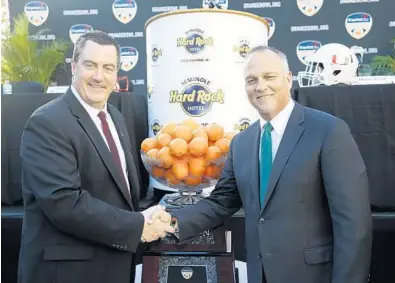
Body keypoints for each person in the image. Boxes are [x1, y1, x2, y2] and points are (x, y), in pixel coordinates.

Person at [157, 46, 373, 283]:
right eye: (252, 80)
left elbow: (353, 224)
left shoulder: (329, 131)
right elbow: (220, 202)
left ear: (288, 79)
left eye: (269, 77)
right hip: (260, 274)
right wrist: (172, 221)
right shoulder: (241, 142)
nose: (260, 86)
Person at [18, 30, 173, 283]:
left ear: (116, 74)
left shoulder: (115, 117)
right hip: (68, 273)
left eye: (108, 68)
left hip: (114, 265)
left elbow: (119, 195)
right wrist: (137, 226)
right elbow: (64, 203)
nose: (99, 76)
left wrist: (149, 214)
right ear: (74, 66)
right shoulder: (47, 122)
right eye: (90, 65)